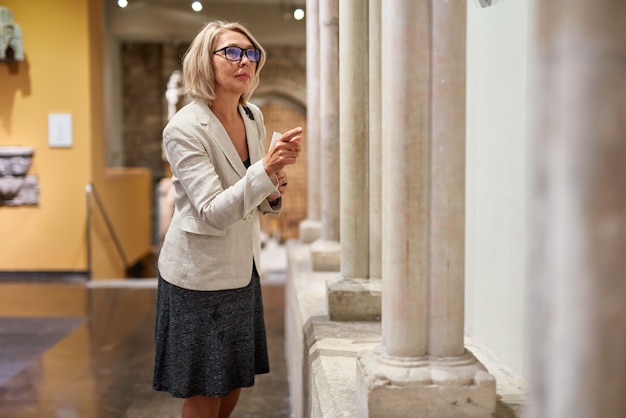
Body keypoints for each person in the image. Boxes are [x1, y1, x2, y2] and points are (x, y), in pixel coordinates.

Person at [152, 20, 302, 418]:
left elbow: (254, 193)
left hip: (241, 268)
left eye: (251, 53)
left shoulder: (251, 115)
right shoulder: (184, 129)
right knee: (204, 391)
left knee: (233, 381)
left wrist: (273, 184)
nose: (245, 61)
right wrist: (264, 172)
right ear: (205, 61)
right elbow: (213, 211)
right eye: (232, 52)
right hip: (199, 277)